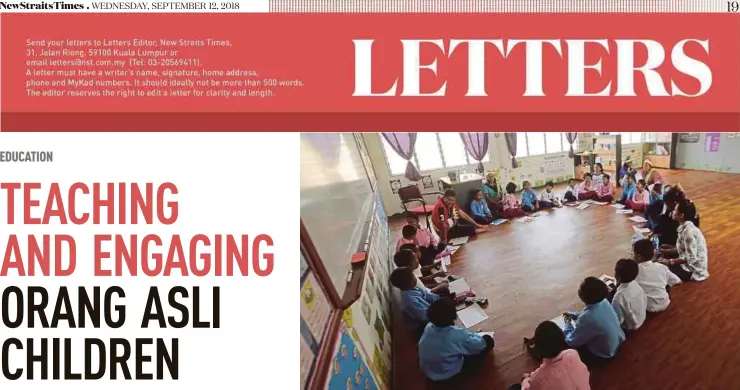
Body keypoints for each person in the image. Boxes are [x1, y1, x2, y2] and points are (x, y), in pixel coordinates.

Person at [418, 298, 494, 382]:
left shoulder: (428, 327)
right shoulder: (457, 334)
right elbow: (479, 345)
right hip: (447, 374)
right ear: (454, 316)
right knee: (488, 341)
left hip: (428, 371)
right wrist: (477, 337)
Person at [562, 277, 625, 367]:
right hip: (616, 343)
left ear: (582, 295)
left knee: (565, 346)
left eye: (580, 288)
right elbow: (590, 312)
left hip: (603, 356)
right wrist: (575, 315)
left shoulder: (587, 318)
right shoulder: (603, 302)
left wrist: (568, 325)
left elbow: (571, 341)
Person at [511, 321, 590, 390]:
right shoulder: (573, 354)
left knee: (515, 387)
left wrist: (525, 380)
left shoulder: (540, 378)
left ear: (538, 349)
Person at [658, 200, 709, 282]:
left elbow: (691, 259)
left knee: (661, 268)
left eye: (675, 210)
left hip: (693, 271)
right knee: (663, 247)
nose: (673, 211)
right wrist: (666, 251)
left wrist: (669, 261)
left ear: (681, 215)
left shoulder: (689, 233)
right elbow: (683, 248)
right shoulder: (685, 227)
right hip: (688, 261)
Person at [633, 239, 681, 312]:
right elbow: (678, 282)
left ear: (639, 257)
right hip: (665, 304)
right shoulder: (661, 267)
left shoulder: (634, 270)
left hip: (646, 307)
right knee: (666, 280)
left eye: (633, 254)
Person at [390, 267, 441, 335]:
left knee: (444, 298)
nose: (415, 276)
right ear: (410, 281)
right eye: (413, 275)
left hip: (428, 312)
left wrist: (440, 299)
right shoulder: (409, 300)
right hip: (420, 325)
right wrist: (440, 312)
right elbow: (424, 316)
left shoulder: (414, 288)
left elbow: (427, 295)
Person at [611, 259, 647, 330]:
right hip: (641, 318)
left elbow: (618, 320)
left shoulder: (618, 297)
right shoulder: (636, 284)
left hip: (630, 327)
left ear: (618, 277)